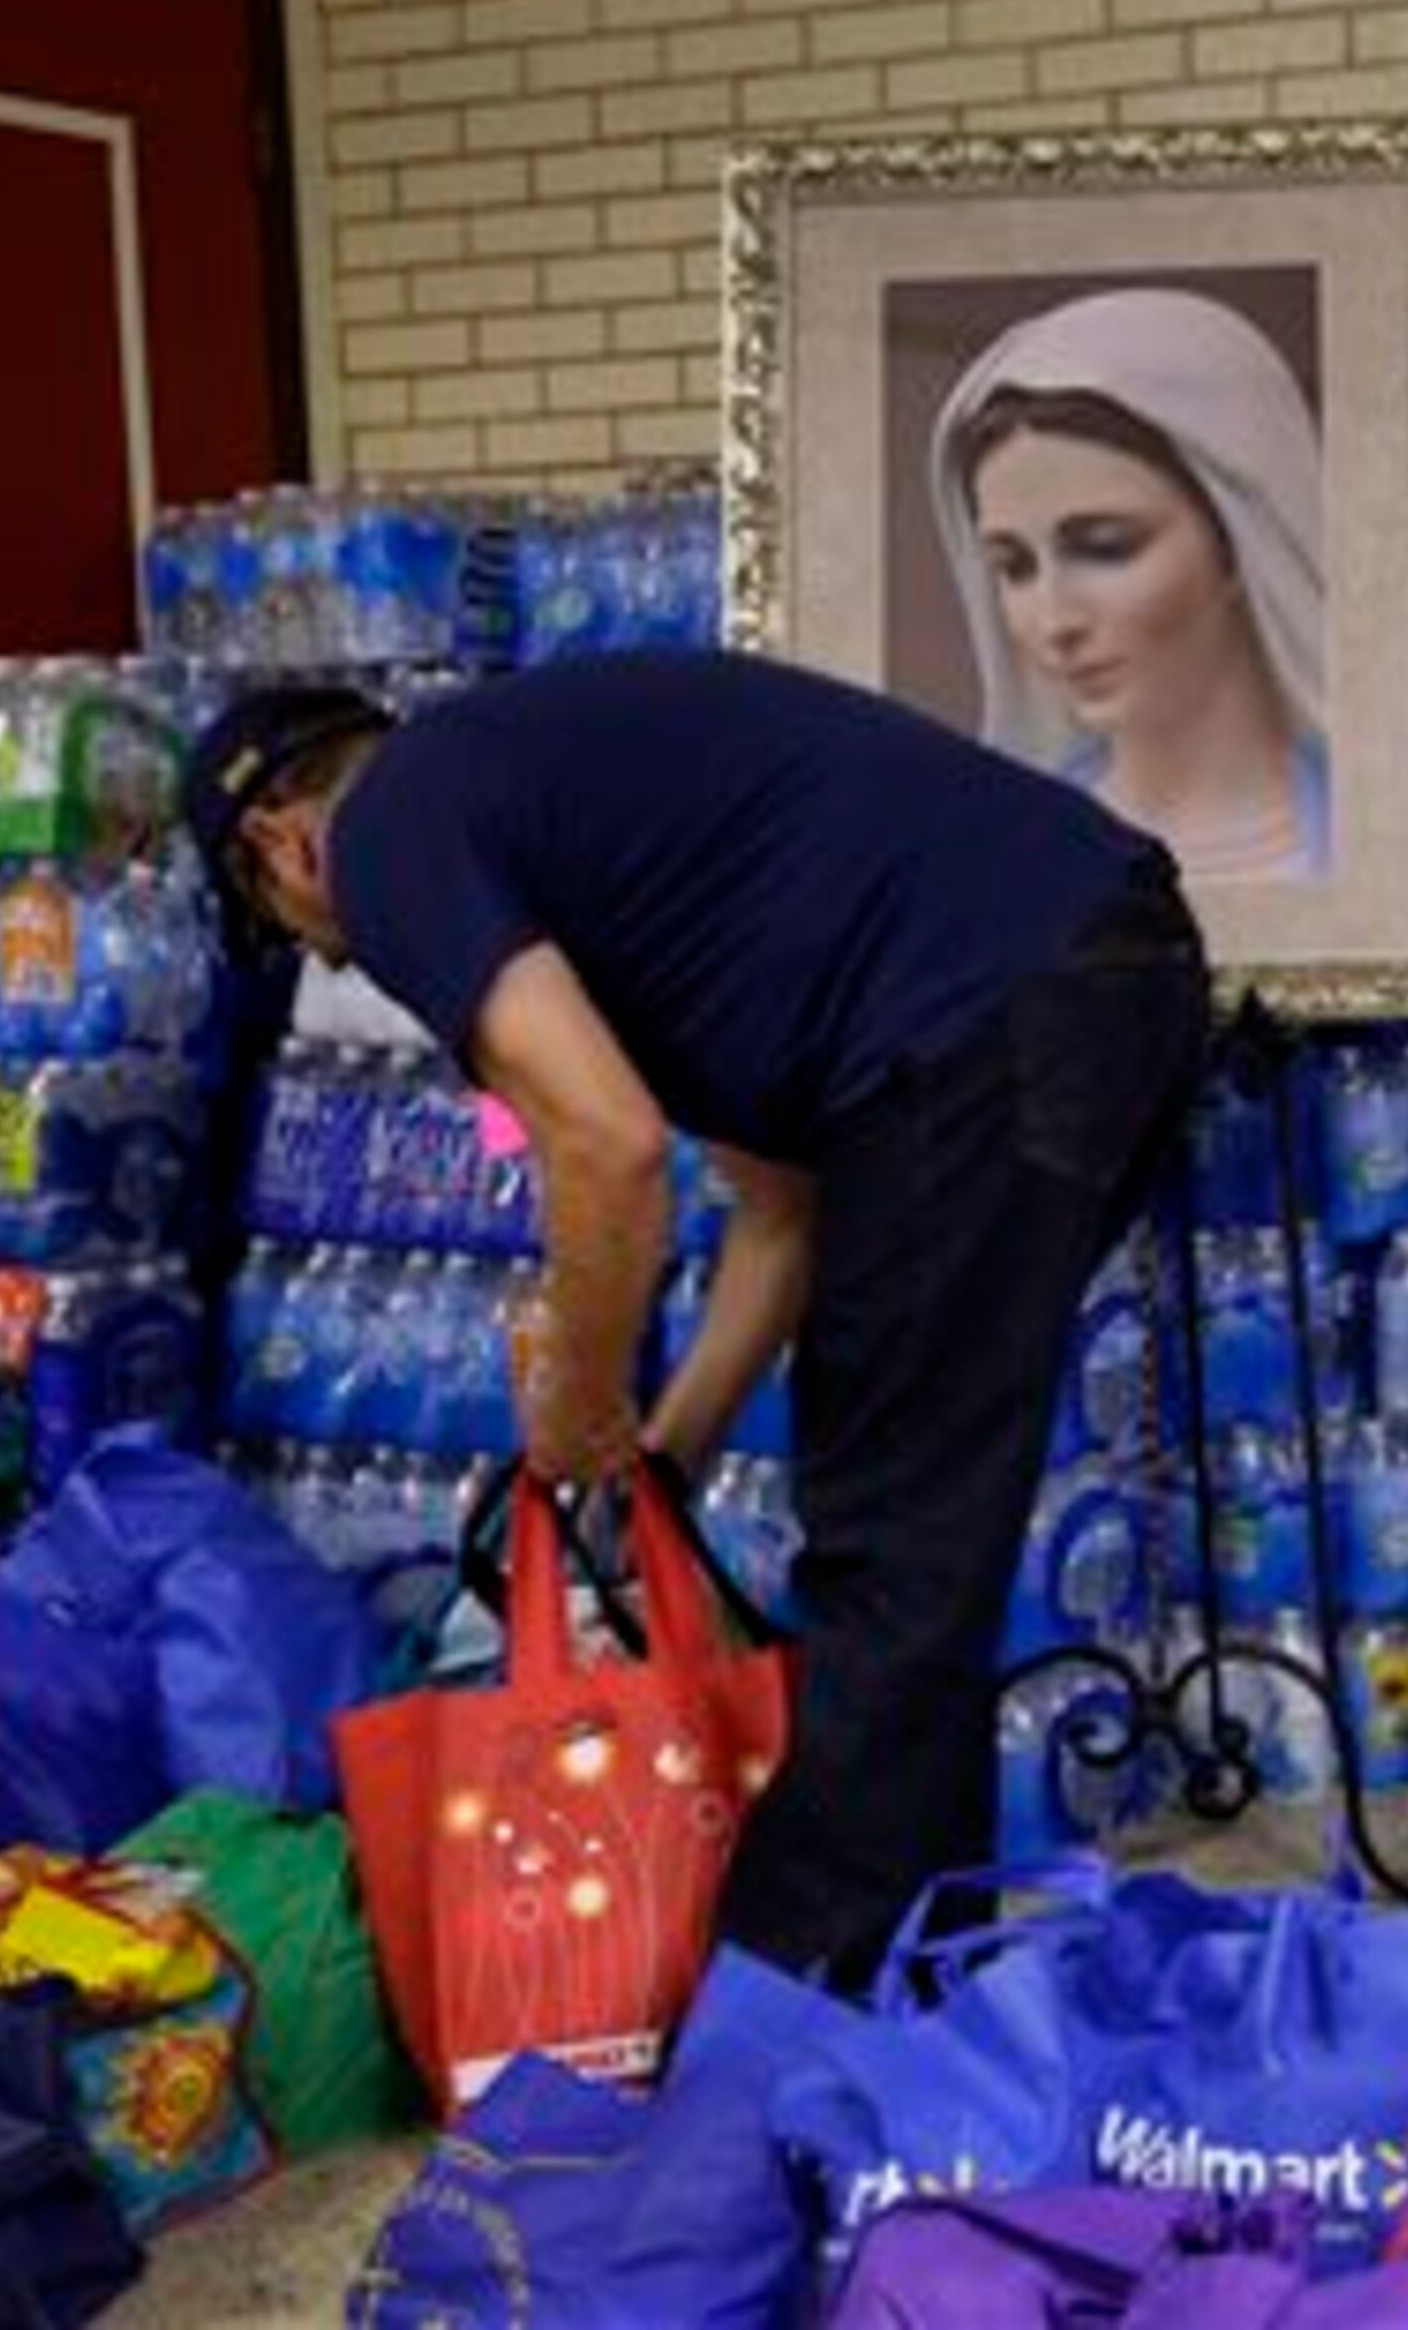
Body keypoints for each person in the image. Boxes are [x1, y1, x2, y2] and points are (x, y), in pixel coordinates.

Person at [188, 651, 1211, 1985]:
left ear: (280, 843)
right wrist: (663, 1456)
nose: (346, 960)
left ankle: (794, 2001)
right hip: (1110, 971)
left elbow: (604, 1148)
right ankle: (915, 1978)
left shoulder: (392, 829)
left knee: (892, 1545)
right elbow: (781, 1214)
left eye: (297, 932)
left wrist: (575, 1407)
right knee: (919, 1529)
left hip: (989, 1018)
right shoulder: (568, 825)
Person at [930, 287, 1332, 884]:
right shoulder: (1001, 855)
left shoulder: (1384, 829)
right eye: (1014, 567)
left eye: (1106, 548)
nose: (1056, 621)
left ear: (1237, 543)